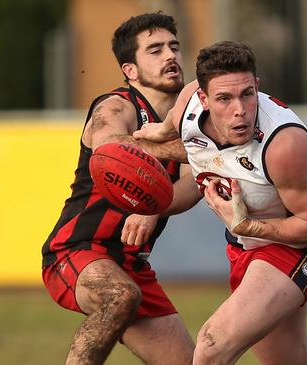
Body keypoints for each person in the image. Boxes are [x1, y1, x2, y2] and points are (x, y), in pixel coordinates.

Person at [134, 41, 307, 364]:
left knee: (211, 345)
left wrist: (249, 225)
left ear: (257, 86)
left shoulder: (283, 144)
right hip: (246, 243)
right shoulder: (189, 104)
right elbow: (184, 121)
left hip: (300, 246)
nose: (240, 109)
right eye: (224, 98)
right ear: (203, 99)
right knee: (290, 360)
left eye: (247, 94)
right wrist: (162, 132)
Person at [41, 13, 200, 365]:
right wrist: (196, 149)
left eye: (174, 47)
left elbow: (194, 183)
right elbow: (112, 152)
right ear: (130, 70)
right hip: (78, 250)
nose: (170, 56)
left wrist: (156, 205)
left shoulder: (189, 119)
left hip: (132, 264)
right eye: (155, 50)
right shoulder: (115, 106)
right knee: (119, 296)